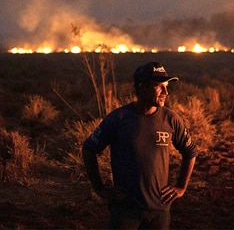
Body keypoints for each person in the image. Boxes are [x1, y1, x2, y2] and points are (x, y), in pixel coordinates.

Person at [82, 62, 198, 230]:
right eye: (160, 87)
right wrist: (99, 188)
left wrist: (181, 187)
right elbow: (89, 149)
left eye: (166, 87)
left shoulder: (171, 119)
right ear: (142, 86)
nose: (166, 92)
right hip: (125, 210)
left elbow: (190, 152)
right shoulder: (119, 118)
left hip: (159, 210)